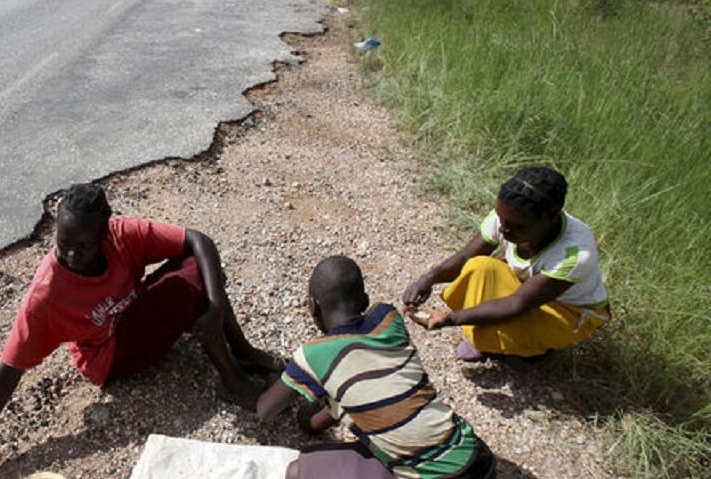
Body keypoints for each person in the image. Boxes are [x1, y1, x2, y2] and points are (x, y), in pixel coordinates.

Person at [0, 183, 281, 478]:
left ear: (104, 234)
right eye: (63, 243)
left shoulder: (121, 235)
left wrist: (216, 305)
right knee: (193, 283)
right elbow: (9, 367)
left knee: (202, 270)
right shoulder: (47, 296)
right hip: (109, 355)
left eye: (83, 246)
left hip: (130, 315)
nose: (71, 254)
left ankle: (243, 353)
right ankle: (233, 383)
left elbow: (198, 239)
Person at [256, 256, 497, 479]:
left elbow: (265, 410)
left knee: (296, 471)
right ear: (365, 300)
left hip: (436, 476)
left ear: (312, 306)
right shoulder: (389, 318)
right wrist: (317, 415)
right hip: (477, 458)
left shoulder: (312, 356)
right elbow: (360, 389)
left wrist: (289, 384)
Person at [403, 166, 610, 361]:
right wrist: (427, 279)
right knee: (480, 267)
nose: (503, 229)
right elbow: (466, 257)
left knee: (501, 325)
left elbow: (515, 304)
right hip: (526, 289)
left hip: (567, 311)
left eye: (517, 226)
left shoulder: (573, 253)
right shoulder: (510, 215)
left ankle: (533, 350)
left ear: (550, 217)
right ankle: (496, 338)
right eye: (501, 219)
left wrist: (450, 319)